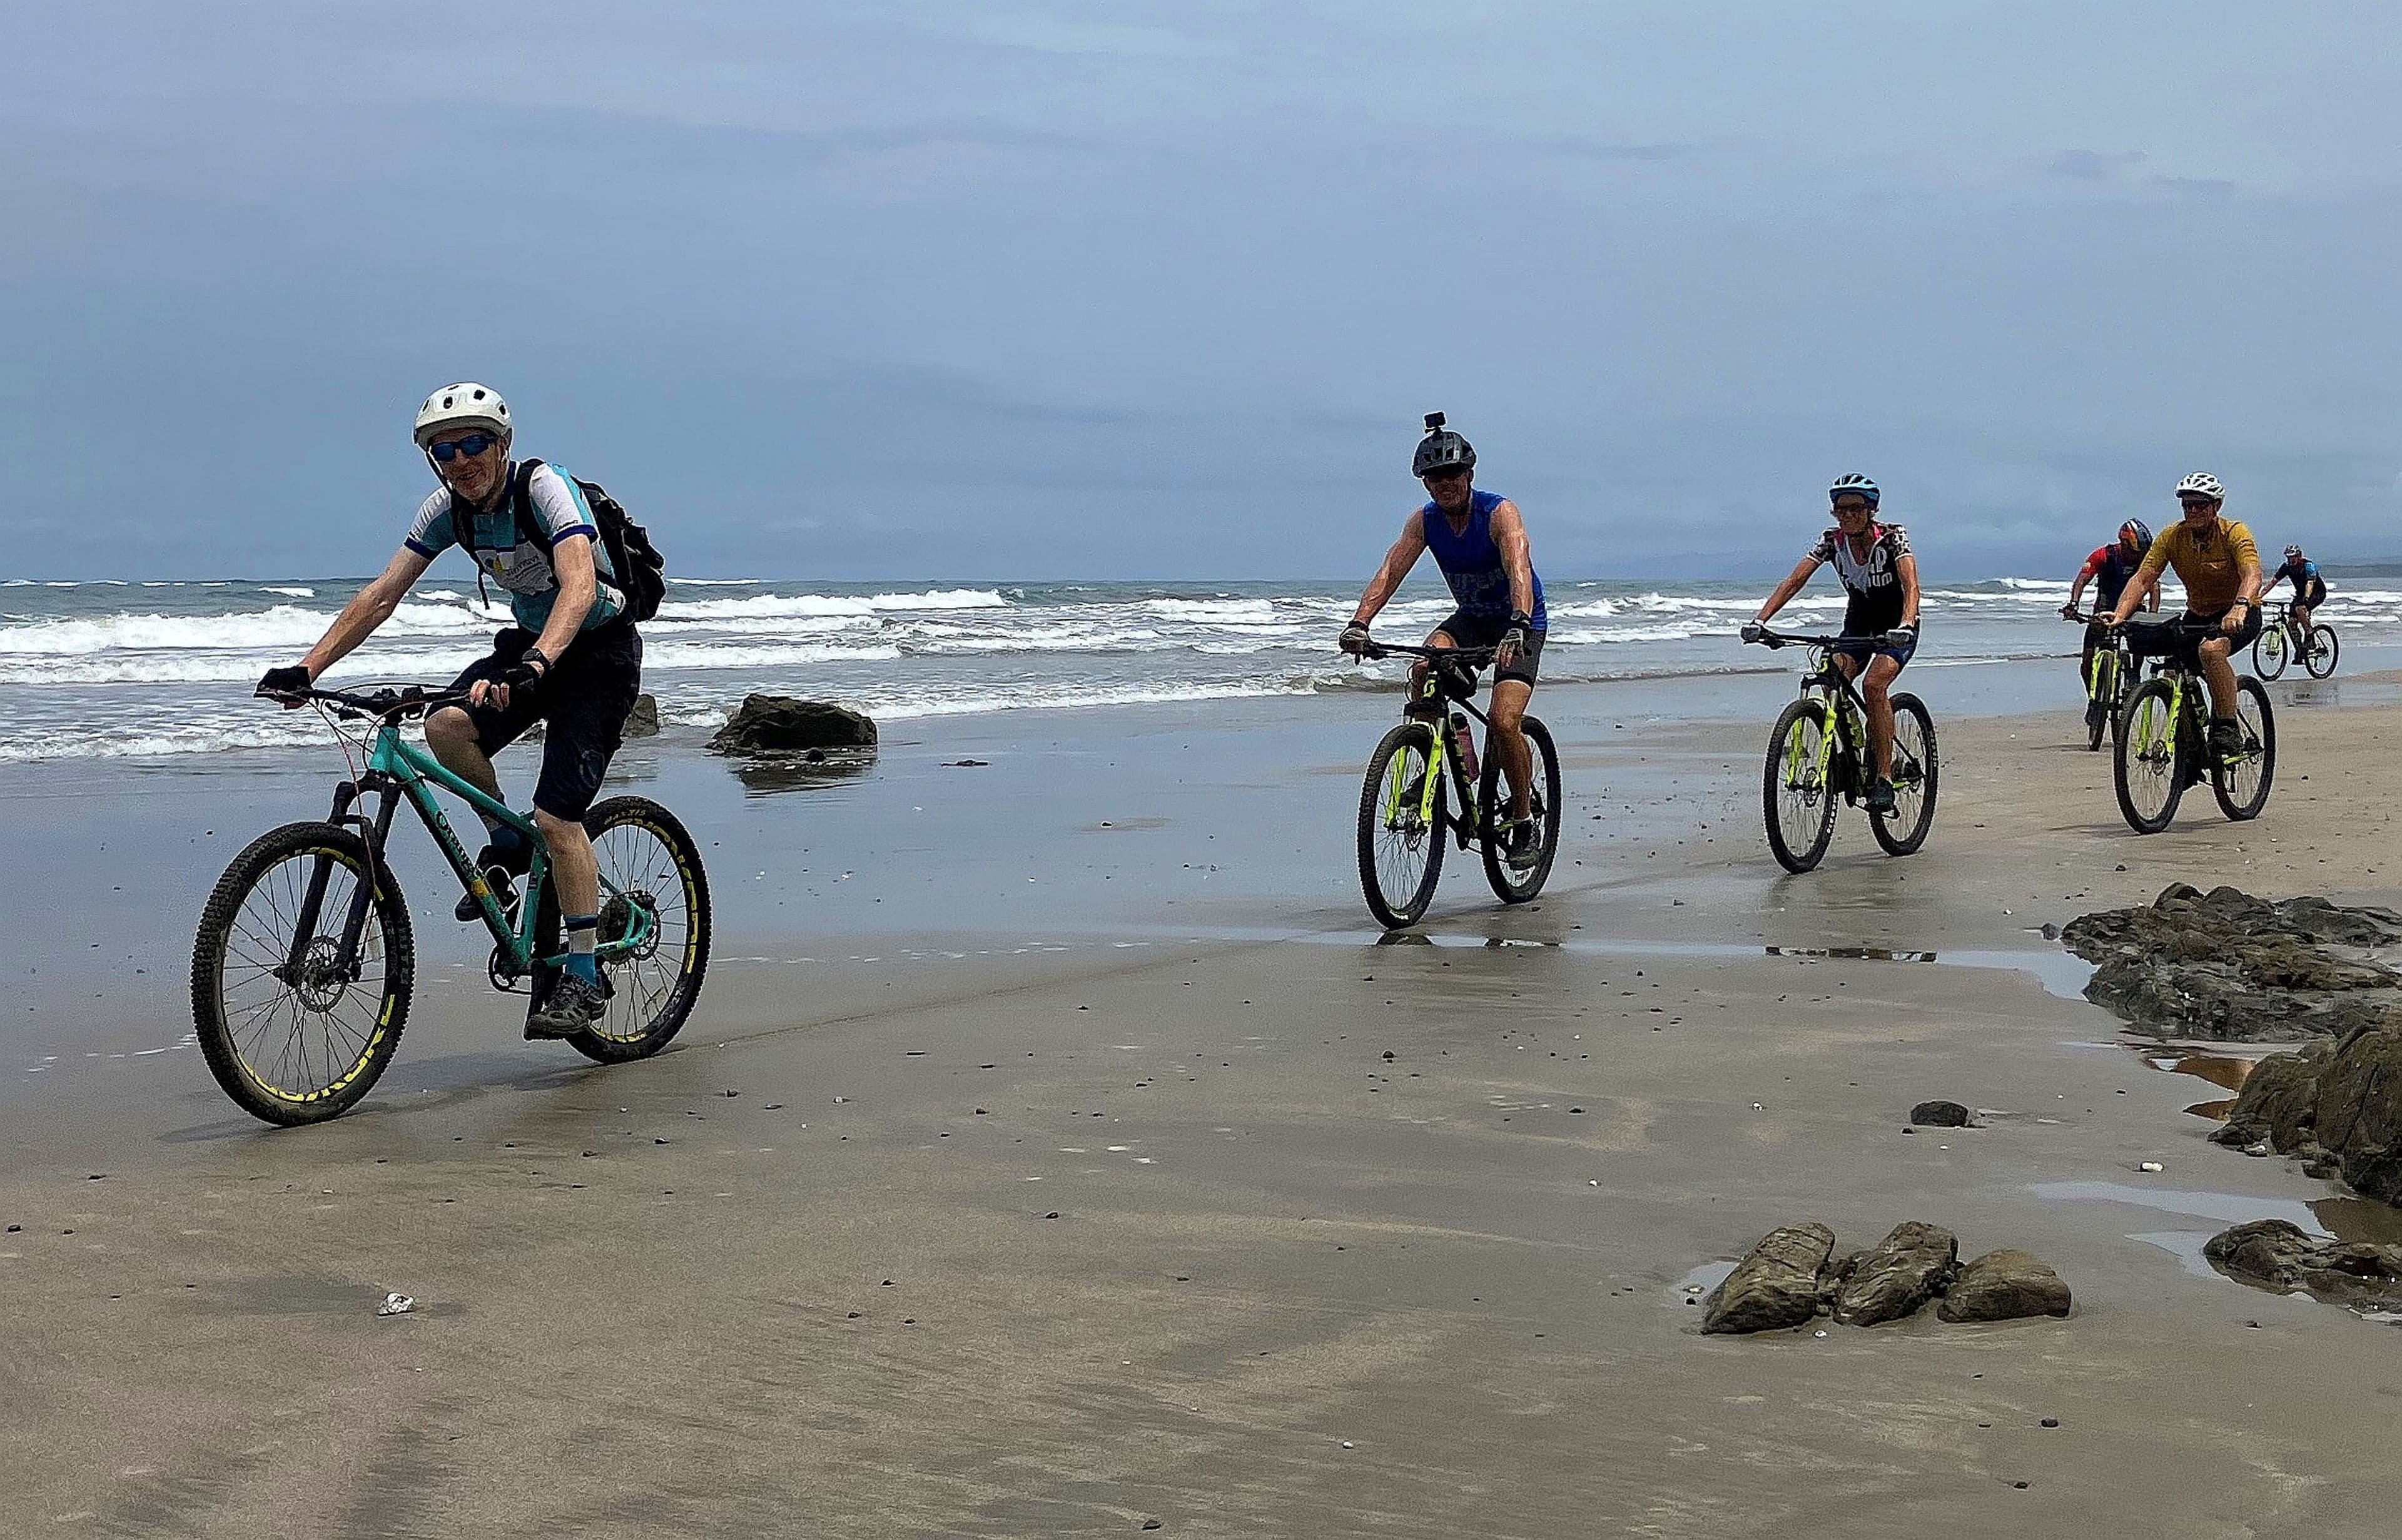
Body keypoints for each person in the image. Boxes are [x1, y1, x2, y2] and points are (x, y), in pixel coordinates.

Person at [256, 383, 642, 1038]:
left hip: (596, 651)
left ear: (502, 445)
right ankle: (509, 843)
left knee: (559, 814)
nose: (461, 460)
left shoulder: (544, 487)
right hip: (532, 646)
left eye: (473, 444)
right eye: (445, 449)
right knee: (446, 725)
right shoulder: (447, 510)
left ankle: (583, 973)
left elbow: (578, 583)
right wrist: (308, 668)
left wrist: (542, 662)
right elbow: (382, 595)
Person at [1340, 413, 1548, 866]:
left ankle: (1522, 820)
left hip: (1521, 621)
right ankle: (1438, 765)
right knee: (1423, 669)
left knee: (1504, 720)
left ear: (1469, 475)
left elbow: (1518, 565)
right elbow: (1392, 569)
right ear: (1426, 484)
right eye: (1435, 477)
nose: (1445, 483)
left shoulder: (1498, 512)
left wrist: (1518, 621)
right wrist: (1360, 623)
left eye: (1453, 474)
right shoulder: (1426, 522)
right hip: (1472, 619)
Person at [1741, 474, 1922, 815]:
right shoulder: (1831, 541)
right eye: (1841, 509)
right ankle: (1853, 747)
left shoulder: (1892, 537)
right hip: (1858, 624)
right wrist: (1760, 621)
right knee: (1831, 677)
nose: (1848, 515)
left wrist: (1907, 624)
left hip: (1897, 624)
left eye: (1856, 508)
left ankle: (1883, 776)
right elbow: (1795, 580)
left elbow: (1911, 585)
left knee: (1873, 685)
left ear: (1871, 509)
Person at [2107, 472, 2262, 757]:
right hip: (2197, 614)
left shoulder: (2235, 533)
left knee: (2211, 652)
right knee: (2172, 668)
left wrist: (2240, 606)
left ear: (2216, 506)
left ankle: (2226, 727)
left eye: (2200, 505)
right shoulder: (2172, 536)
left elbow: (2252, 574)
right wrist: (2119, 616)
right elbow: (2143, 578)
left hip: (2239, 612)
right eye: (2187, 505)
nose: (2193, 511)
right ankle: (2188, 750)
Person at [2061, 520, 2157, 729]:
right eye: (2135, 551)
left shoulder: (2144, 561)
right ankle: (2095, 702)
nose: (2139, 556)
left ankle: (2134, 673)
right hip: (2103, 610)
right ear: (2123, 544)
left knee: (2139, 635)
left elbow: (2154, 588)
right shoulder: (2103, 556)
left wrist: (2152, 615)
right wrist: (2073, 604)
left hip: (2133, 610)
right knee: (2087, 663)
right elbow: (2081, 581)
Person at [2270, 542, 2328, 641]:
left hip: (2317, 593)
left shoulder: (2309, 566)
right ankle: (2300, 648)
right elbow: (2272, 583)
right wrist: (2258, 597)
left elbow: (2310, 583)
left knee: (2300, 608)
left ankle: (2310, 632)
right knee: (2292, 623)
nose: (2291, 560)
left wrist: (2306, 598)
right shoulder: (2286, 567)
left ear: (2299, 556)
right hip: (2301, 594)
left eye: (2294, 557)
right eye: (2289, 558)